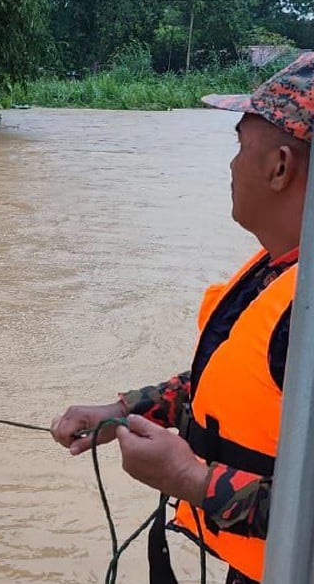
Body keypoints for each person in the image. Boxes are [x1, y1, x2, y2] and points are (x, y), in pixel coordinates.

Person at [50, 52, 314, 584]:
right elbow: (239, 376)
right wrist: (122, 410)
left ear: (280, 166)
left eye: (241, 146)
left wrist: (191, 479)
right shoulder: (283, 271)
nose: (232, 165)